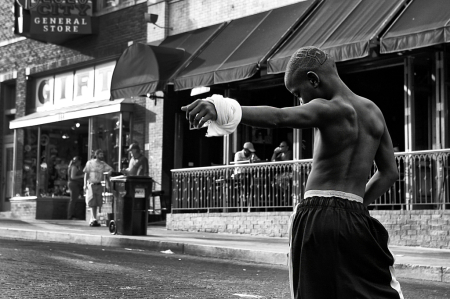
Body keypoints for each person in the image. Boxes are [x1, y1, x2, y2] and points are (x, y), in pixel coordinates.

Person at [181, 46, 403, 298]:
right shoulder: (374, 112)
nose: (300, 101)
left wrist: (222, 108)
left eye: (299, 93)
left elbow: (277, 117)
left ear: (313, 79)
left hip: (317, 216)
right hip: (357, 216)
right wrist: (355, 206)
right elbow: (389, 173)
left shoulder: (325, 107)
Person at [83, 149, 113, 227]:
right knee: (92, 202)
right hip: (92, 184)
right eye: (100, 154)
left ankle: (95, 218)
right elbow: (86, 173)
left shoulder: (103, 164)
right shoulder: (90, 163)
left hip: (99, 184)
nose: (102, 156)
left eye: (102, 154)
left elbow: (110, 169)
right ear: (96, 155)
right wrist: (85, 184)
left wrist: (108, 173)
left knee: (98, 202)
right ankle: (93, 218)